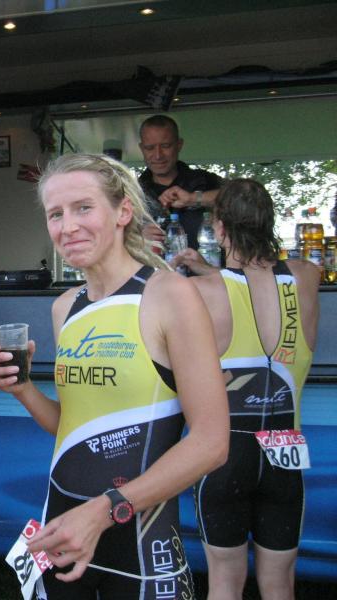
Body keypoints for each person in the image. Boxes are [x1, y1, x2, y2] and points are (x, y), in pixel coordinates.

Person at [0, 153, 229, 599]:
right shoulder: (65, 307)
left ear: (123, 212)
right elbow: (74, 427)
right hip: (63, 524)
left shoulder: (168, 294)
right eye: (55, 214)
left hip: (138, 539)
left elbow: (212, 443)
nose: (68, 226)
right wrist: (22, 389)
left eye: (83, 208)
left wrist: (104, 511)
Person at [171, 179, 320, 600]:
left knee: (224, 584)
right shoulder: (307, 276)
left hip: (224, 453)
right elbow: (258, 279)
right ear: (269, 224)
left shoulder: (199, 292)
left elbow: (231, 287)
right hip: (285, 452)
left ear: (219, 229)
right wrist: (212, 270)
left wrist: (201, 269)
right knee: (279, 585)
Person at [138, 114, 222, 249]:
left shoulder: (203, 180)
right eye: (150, 148)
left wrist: (193, 198)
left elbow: (245, 197)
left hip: (206, 261)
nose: (158, 155)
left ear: (179, 145)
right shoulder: (133, 192)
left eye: (165, 146)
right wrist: (136, 237)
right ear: (142, 149)